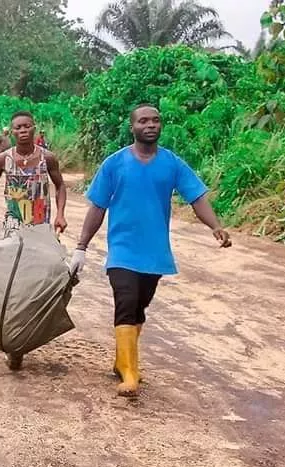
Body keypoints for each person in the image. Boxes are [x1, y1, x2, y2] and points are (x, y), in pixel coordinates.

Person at [69, 104, 232, 397]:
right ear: (132, 127)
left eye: (156, 120)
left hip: (155, 252)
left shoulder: (172, 164)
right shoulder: (114, 164)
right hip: (121, 251)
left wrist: (215, 226)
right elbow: (98, 208)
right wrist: (81, 246)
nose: (151, 125)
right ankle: (131, 375)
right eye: (143, 121)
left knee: (140, 306)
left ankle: (122, 361)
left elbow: (196, 197)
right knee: (127, 301)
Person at [0, 110, 68, 370]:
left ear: (34, 128)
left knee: (39, 278)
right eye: (17, 127)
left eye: (27, 126)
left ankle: (25, 334)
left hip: (41, 225)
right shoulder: (3, 159)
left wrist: (61, 214)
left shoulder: (47, 158)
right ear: (11, 132)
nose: (22, 131)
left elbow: (61, 186)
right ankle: (13, 341)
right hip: (13, 225)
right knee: (9, 277)